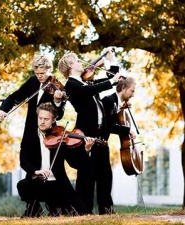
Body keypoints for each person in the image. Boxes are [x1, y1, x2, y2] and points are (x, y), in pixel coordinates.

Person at [57, 49, 120, 215]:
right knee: (87, 177)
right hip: (86, 138)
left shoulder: (86, 83)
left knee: (105, 177)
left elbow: (109, 76)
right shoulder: (71, 85)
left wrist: (111, 60)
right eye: (77, 61)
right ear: (70, 66)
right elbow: (90, 90)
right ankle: (84, 212)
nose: (81, 63)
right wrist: (111, 81)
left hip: (100, 138)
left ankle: (107, 211)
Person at [17, 102, 95, 217]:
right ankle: (34, 209)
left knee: (81, 211)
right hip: (37, 183)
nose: (42, 122)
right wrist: (35, 171)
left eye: (46, 119)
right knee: (22, 185)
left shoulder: (61, 137)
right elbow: (23, 160)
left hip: (58, 184)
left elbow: (75, 163)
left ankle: (55, 208)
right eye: (40, 118)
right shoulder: (29, 137)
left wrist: (86, 150)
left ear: (53, 120)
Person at [0, 54, 66, 135]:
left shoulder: (58, 88)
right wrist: (3, 109)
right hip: (29, 132)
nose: (39, 76)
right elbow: (16, 96)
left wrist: (57, 101)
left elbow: (59, 116)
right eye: (36, 73)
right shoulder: (32, 81)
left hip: (49, 135)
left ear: (50, 69)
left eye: (42, 73)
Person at [102, 75, 137, 140]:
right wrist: (128, 130)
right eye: (132, 91)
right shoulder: (109, 101)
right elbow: (107, 125)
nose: (133, 95)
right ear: (123, 88)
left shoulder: (115, 102)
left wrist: (120, 108)